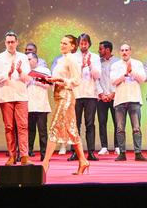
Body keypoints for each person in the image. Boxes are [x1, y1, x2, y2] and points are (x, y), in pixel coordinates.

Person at [41, 35, 89, 175]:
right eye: (61, 43)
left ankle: (45, 163)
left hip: (66, 96)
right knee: (71, 129)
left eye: (65, 43)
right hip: (58, 95)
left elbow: (77, 80)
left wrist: (60, 79)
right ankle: (83, 161)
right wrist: (49, 80)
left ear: (73, 46)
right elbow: (60, 79)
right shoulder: (61, 60)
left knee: (55, 127)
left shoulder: (72, 59)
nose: (62, 45)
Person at [0, 31, 31, 165]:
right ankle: (12, 156)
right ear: (5, 43)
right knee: (9, 127)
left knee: (23, 126)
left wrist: (20, 71)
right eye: (8, 42)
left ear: (17, 42)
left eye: (12, 42)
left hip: (21, 95)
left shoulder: (23, 57)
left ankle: (24, 156)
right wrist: (7, 74)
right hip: (6, 96)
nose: (10, 44)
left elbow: (28, 78)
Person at [111, 44, 147, 161]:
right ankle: (122, 153)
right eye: (122, 50)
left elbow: (142, 79)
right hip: (120, 99)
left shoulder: (137, 63)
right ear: (119, 52)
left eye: (126, 50)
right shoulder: (115, 65)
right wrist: (125, 74)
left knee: (136, 128)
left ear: (130, 51)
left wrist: (132, 72)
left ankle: (138, 153)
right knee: (120, 128)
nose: (124, 52)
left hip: (134, 99)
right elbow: (113, 81)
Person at [68, 33, 101, 162]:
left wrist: (90, 65)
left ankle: (91, 152)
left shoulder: (95, 57)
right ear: (78, 44)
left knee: (90, 124)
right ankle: (75, 152)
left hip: (90, 94)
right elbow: (71, 75)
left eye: (85, 43)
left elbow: (97, 75)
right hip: (76, 94)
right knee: (75, 124)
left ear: (89, 44)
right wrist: (81, 66)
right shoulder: (72, 57)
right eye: (81, 43)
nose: (83, 45)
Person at [26, 52, 51, 161]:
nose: (28, 61)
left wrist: (36, 81)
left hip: (41, 105)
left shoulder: (44, 70)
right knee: (29, 131)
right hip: (29, 105)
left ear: (35, 59)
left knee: (42, 131)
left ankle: (44, 154)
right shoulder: (25, 71)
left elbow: (48, 85)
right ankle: (28, 152)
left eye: (29, 59)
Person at [96, 40, 120, 155]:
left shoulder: (118, 62)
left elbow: (119, 80)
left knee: (117, 122)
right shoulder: (97, 62)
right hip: (101, 97)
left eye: (101, 49)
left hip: (115, 96)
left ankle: (117, 146)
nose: (99, 51)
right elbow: (95, 79)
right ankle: (104, 146)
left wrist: (112, 93)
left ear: (107, 49)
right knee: (102, 122)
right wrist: (101, 94)